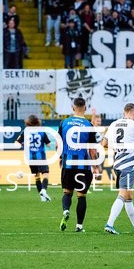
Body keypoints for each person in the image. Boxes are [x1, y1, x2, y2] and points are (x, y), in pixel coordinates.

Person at [101, 103, 134, 234]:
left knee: (129, 195)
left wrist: (119, 147)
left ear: (124, 111)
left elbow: (103, 144)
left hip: (117, 163)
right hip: (128, 164)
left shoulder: (113, 124)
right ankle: (109, 224)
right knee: (123, 194)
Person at [57, 97, 96, 232]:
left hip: (68, 164)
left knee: (67, 193)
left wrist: (60, 159)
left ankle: (66, 210)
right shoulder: (89, 125)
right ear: (85, 108)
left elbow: (59, 144)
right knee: (81, 196)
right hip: (83, 165)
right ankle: (79, 226)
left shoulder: (64, 123)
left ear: (73, 108)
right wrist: (96, 164)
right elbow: (92, 149)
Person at [15, 114, 52, 202]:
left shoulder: (26, 131)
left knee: (37, 177)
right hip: (41, 157)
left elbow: (17, 142)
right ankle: (43, 190)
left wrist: (23, 145)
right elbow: (49, 145)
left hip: (30, 158)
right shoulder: (42, 131)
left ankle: (42, 197)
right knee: (45, 174)